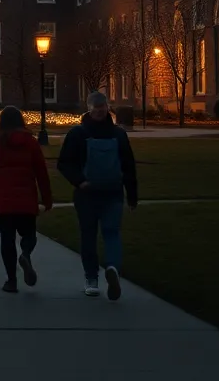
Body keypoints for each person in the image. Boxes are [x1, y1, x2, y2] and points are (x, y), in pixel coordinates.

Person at [57, 91, 138, 300]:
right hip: (113, 191)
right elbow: (128, 165)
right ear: (107, 108)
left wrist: (79, 181)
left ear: (89, 108)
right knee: (112, 233)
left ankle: (91, 279)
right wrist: (132, 195)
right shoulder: (118, 134)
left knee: (88, 236)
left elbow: (64, 163)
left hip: (87, 193)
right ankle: (112, 267)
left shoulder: (78, 133)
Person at [0, 106, 54, 293]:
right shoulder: (31, 143)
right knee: (29, 235)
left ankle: (11, 280)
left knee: (7, 240)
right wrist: (47, 199)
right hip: (26, 197)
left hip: (3, 199)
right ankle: (25, 253)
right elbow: (41, 173)